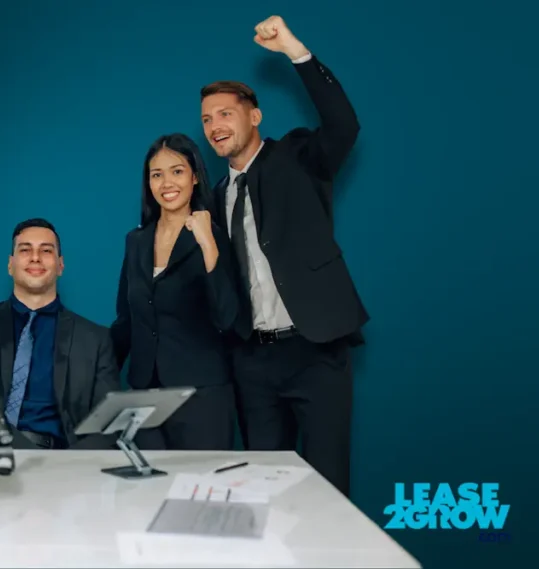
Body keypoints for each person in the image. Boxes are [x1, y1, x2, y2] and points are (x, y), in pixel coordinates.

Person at [199, 15, 365, 495]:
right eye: (207, 118)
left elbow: (343, 124)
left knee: (328, 491)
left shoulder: (297, 157)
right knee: (263, 494)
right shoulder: (213, 198)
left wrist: (295, 51)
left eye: (225, 113)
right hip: (253, 361)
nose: (214, 125)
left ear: (254, 116)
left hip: (315, 351)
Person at [0, 218, 120, 450]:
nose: (35, 257)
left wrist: (71, 466)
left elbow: (108, 424)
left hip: (57, 461)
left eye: (46, 250)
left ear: (60, 265)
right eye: (25, 250)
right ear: (10, 265)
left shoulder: (95, 339)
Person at [109, 133, 242, 451]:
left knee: (198, 495)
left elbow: (227, 317)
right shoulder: (136, 241)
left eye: (177, 171)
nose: (166, 182)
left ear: (195, 177)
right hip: (146, 396)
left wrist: (208, 244)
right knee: (149, 494)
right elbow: (126, 321)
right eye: (157, 174)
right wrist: (94, 378)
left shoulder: (214, 238)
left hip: (202, 395)